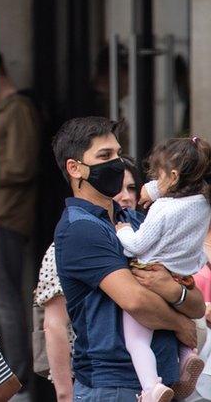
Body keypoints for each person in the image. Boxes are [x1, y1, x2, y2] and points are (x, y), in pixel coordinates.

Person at [51, 117, 205, 401]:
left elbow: (195, 304)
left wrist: (175, 290)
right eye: (104, 156)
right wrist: (180, 324)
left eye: (118, 154)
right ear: (75, 169)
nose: (117, 163)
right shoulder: (80, 228)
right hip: (114, 385)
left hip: (163, 381)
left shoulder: (134, 220)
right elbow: (134, 300)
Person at [34, 156, 143, 401]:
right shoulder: (73, 241)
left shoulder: (146, 243)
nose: (125, 196)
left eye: (132, 188)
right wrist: (65, 395)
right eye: (118, 188)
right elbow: (54, 326)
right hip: (94, 377)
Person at [115, 136, 211, 400]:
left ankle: (151, 388)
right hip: (182, 276)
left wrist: (122, 231)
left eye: (157, 175)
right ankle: (186, 356)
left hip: (149, 272)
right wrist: (156, 188)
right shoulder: (203, 204)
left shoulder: (163, 208)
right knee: (176, 325)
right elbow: (177, 187)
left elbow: (137, 244)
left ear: (172, 175)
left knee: (137, 340)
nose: (153, 182)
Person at [0, 46, 41, 393]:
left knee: (5, 300)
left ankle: (18, 379)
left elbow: (20, 167)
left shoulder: (18, 109)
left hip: (6, 215)